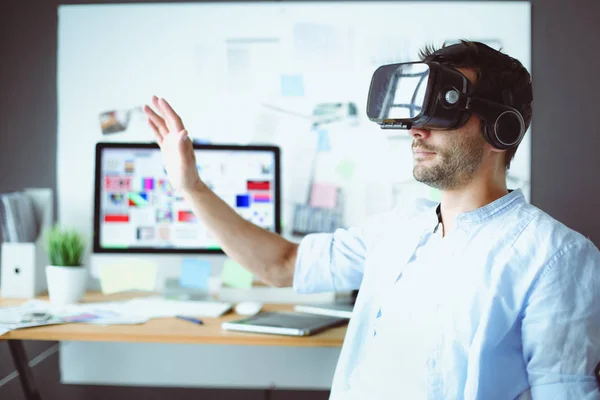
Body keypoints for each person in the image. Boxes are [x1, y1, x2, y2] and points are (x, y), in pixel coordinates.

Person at [143, 40, 600, 399]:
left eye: (440, 110)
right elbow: (280, 264)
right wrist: (191, 188)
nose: (416, 129)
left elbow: (564, 392)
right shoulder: (398, 228)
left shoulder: (556, 256)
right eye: (415, 112)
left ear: (504, 128)